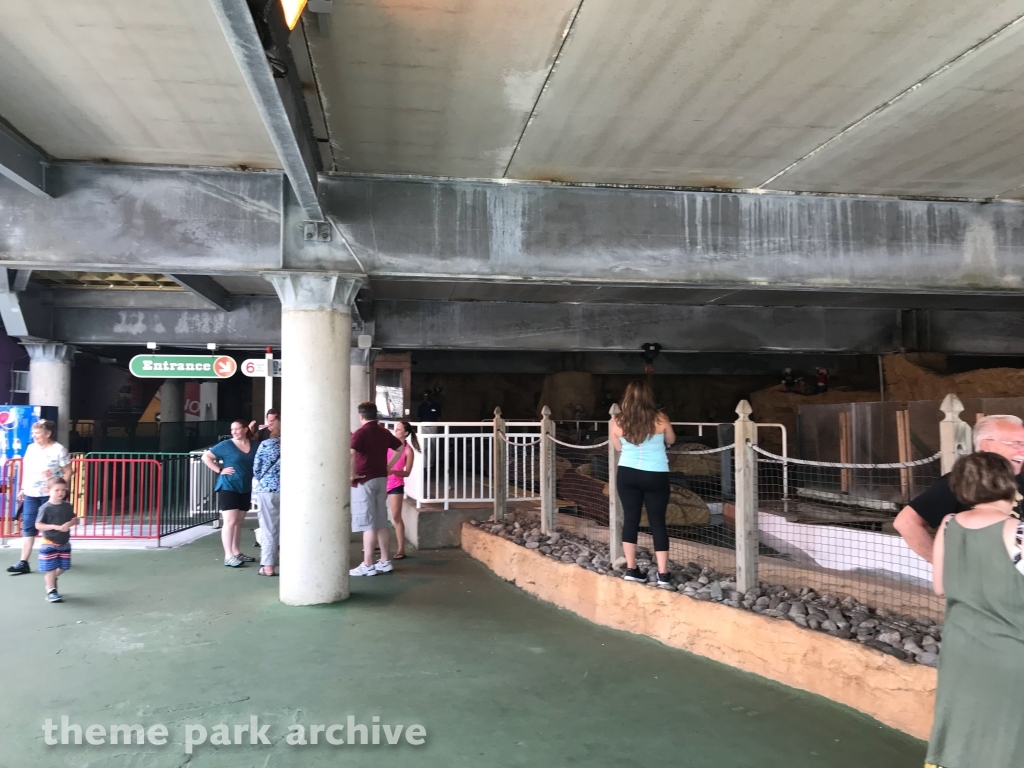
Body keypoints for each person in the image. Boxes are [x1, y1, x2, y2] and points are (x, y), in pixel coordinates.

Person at [926, 451, 1024, 768]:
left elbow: (940, 586)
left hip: (960, 649)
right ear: (1007, 483)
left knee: (961, 730)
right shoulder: (1017, 532)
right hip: (1011, 651)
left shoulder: (949, 523)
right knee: (1007, 735)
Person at [894, 414, 1024, 562]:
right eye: (1016, 443)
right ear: (986, 445)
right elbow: (905, 522)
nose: (1022, 451)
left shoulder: (1019, 479)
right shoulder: (961, 482)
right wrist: (942, 564)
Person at [608, 380, 676, 588]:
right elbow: (671, 440)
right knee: (657, 522)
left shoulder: (617, 421)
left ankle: (632, 569)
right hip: (655, 474)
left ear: (627, 397)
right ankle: (663, 574)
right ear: (649, 397)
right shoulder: (660, 418)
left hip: (628, 474)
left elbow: (618, 447)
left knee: (631, 519)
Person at [7, 419, 71, 576]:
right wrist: (23, 487)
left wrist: (60, 489)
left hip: (50, 497)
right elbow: (27, 470)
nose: (34, 435)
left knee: (53, 527)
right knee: (28, 525)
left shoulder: (59, 450)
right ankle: (23, 561)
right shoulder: (30, 448)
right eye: (33, 432)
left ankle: (59, 556)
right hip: (31, 493)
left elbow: (68, 471)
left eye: (37, 432)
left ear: (48, 434)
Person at [349, 402, 401, 577]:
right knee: (380, 521)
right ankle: (385, 561)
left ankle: (368, 564)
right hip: (381, 478)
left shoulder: (360, 433)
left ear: (361, 416)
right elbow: (399, 448)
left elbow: (351, 452)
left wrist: (352, 474)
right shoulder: (384, 432)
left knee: (368, 523)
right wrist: (389, 466)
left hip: (364, 479)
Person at [202, 419, 258, 568]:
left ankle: (236, 552)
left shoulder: (253, 445)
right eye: (232, 429)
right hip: (228, 486)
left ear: (245, 429)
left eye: (237, 429)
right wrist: (219, 470)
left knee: (238, 522)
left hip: (245, 487)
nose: (234, 432)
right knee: (230, 522)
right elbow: (206, 457)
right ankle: (228, 555)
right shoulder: (226, 445)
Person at [34, 477, 77, 603]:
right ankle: (51, 590)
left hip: (64, 542)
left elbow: (74, 519)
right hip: (49, 542)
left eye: (63, 490)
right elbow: (38, 525)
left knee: (64, 567)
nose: (60, 492)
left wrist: (69, 524)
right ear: (48, 491)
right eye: (57, 490)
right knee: (50, 568)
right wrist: (55, 527)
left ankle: (51, 578)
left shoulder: (67, 506)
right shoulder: (45, 508)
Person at [251, 415, 281, 576]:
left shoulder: (266, 445)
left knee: (270, 529)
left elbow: (256, 469)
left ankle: (268, 566)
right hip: (293, 491)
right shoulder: (296, 445)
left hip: (267, 490)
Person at [386, 421, 419, 560]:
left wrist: (391, 471)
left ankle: (401, 549)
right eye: (396, 428)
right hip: (382, 481)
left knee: (396, 517)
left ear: (406, 433)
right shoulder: (387, 444)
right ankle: (374, 543)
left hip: (396, 484)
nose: (396, 431)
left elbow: (407, 473)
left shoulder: (408, 450)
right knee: (376, 513)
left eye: (399, 429)